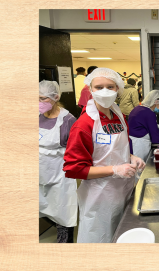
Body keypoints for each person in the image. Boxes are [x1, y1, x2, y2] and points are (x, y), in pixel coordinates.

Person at [63, 68, 146, 243]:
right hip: (100, 195)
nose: (105, 91)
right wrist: (114, 169)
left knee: (123, 235)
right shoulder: (83, 124)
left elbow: (112, 148)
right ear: (90, 89)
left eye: (110, 86)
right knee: (101, 239)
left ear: (118, 89)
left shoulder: (119, 116)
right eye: (99, 87)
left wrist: (130, 157)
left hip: (124, 189)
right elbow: (73, 169)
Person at [39, 81, 78, 243]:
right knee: (42, 207)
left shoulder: (68, 120)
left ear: (55, 97)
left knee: (63, 213)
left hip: (60, 177)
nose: (39, 103)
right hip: (40, 175)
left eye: (43, 99)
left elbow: (77, 149)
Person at [128, 86, 159, 161]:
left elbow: (150, 128)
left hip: (132, 143)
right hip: (140, 145)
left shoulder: (137, 109)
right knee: (140, 168)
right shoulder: (149, 113)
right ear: (155, 101)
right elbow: (155, 139)